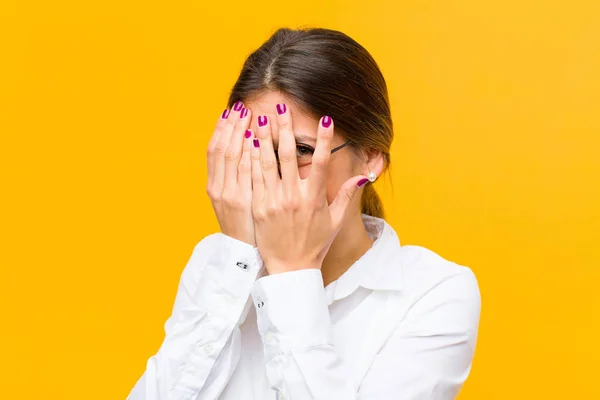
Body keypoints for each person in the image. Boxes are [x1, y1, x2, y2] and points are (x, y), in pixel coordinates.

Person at [127, 27, 481, 400]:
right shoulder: (216, 263)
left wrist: (293, 273)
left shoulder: (435, 292)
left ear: (372, 157)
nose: (274, 172)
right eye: (255, 146)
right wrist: (233, 255)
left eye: (300, 149)